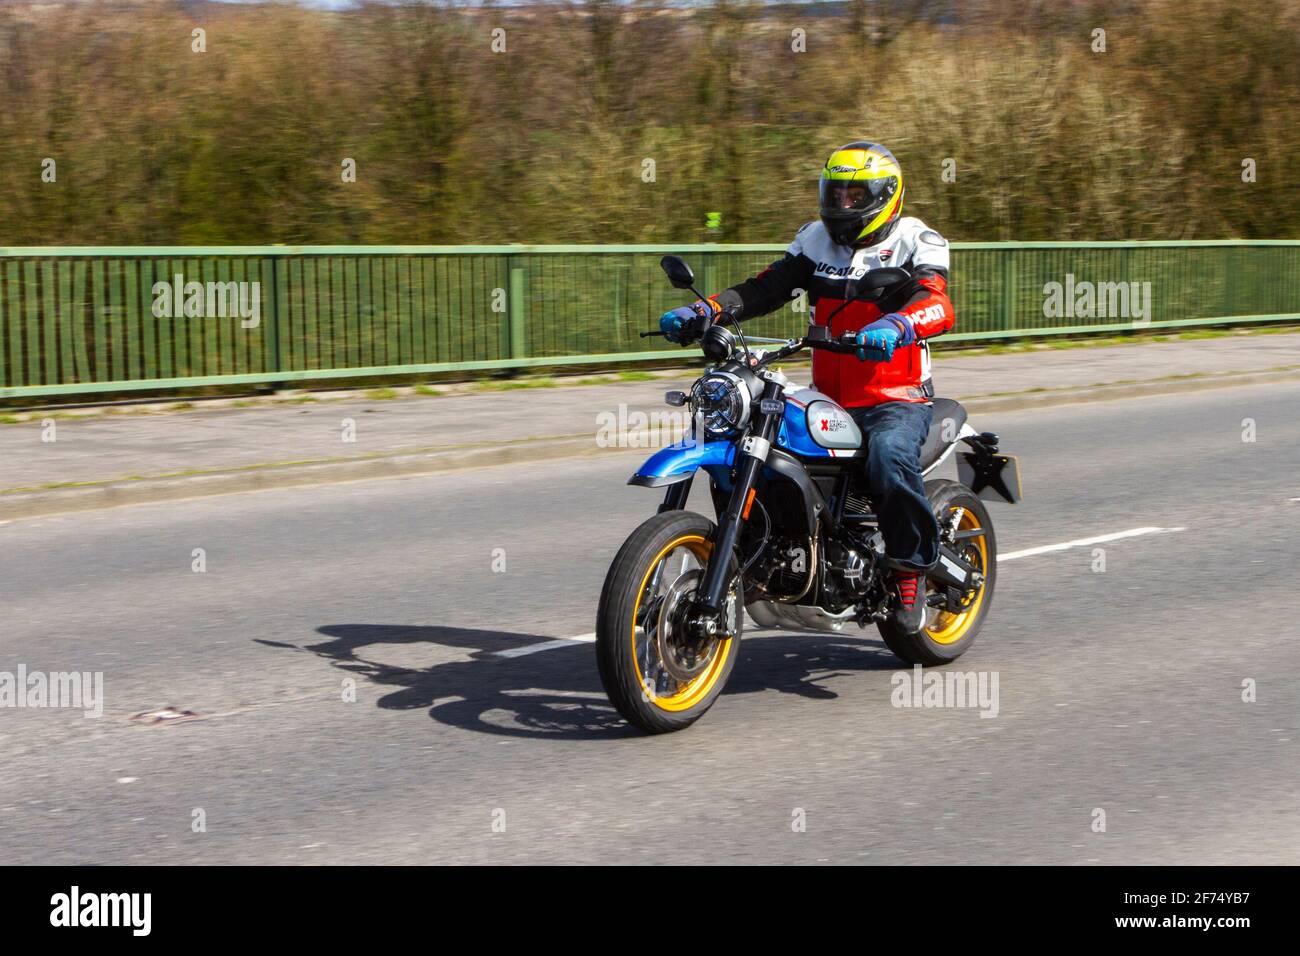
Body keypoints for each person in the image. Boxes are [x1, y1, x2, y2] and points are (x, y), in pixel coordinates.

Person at [658, 141, 954, 633]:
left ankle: (908, 572)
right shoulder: (815, 240)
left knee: (888, 457)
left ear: (885, 196)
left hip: (894, 399)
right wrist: (707, 310)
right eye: (834, 194)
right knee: (749, 434)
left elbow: (937, 304)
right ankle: (758, 555)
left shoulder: (916, 240)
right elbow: (767, 287)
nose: (841, 205)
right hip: (828, 396)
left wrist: (899, 326)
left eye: (853, 197)